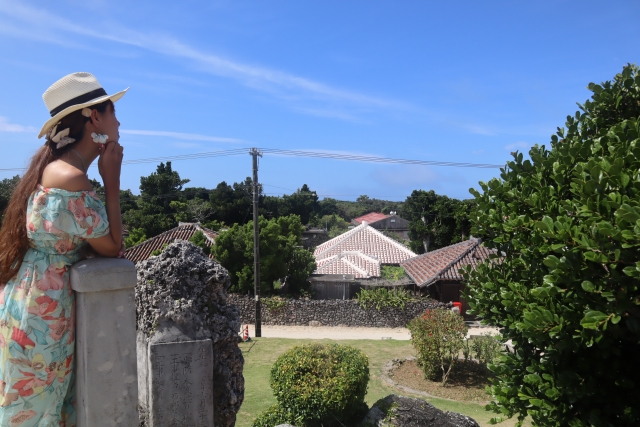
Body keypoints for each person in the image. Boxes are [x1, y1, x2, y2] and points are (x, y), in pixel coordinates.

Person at [0, 72, 127, 426]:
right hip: (43, 312)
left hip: (28, 299)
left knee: (30, 407)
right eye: (112, 111)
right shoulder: (72, 178)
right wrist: (112, 183)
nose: (119, 120)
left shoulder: (53, 169)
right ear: (94, 118)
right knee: (38, 412)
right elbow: (112, 247)